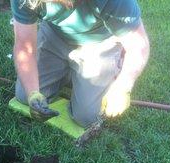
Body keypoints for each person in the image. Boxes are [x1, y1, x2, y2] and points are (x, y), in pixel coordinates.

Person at [10, 0, 150, 127]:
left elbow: (138, 46)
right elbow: (24, 45)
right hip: (55, 35)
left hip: (99, 43)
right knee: (25, 97)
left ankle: (113, 62)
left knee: (87, 117)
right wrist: (33, 93)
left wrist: (122, 87)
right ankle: (70, 72)